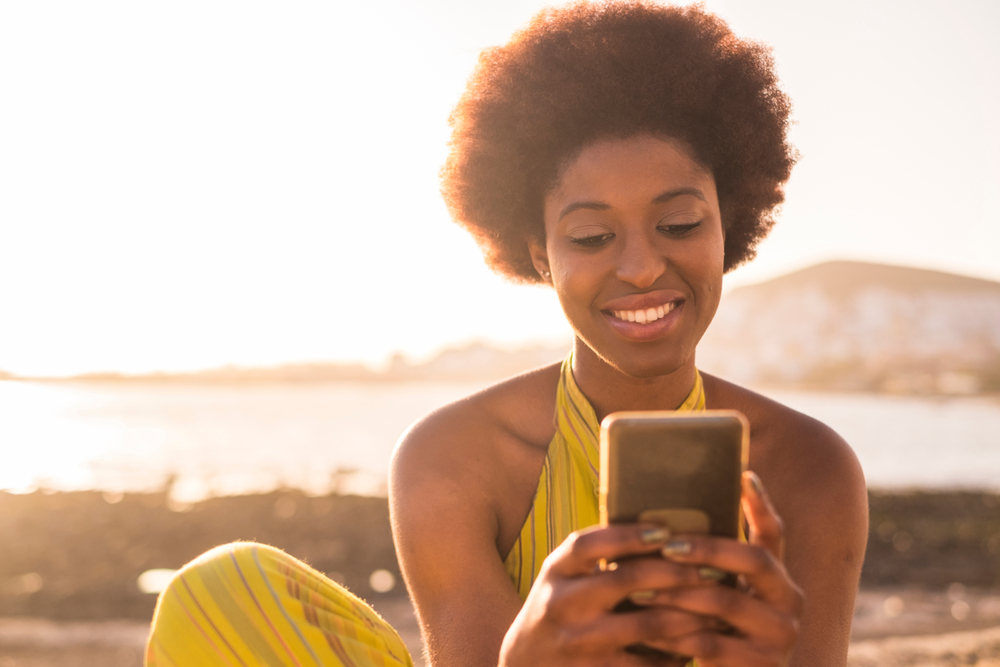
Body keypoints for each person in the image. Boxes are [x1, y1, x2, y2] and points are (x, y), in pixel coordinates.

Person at [145, 2, 868, 666]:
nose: (643, 267)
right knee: (223, 589)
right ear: (537, 253)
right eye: (590, 235)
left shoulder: (811, 472)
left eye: (679, 224)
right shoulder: (453, 459)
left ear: (728, 226)